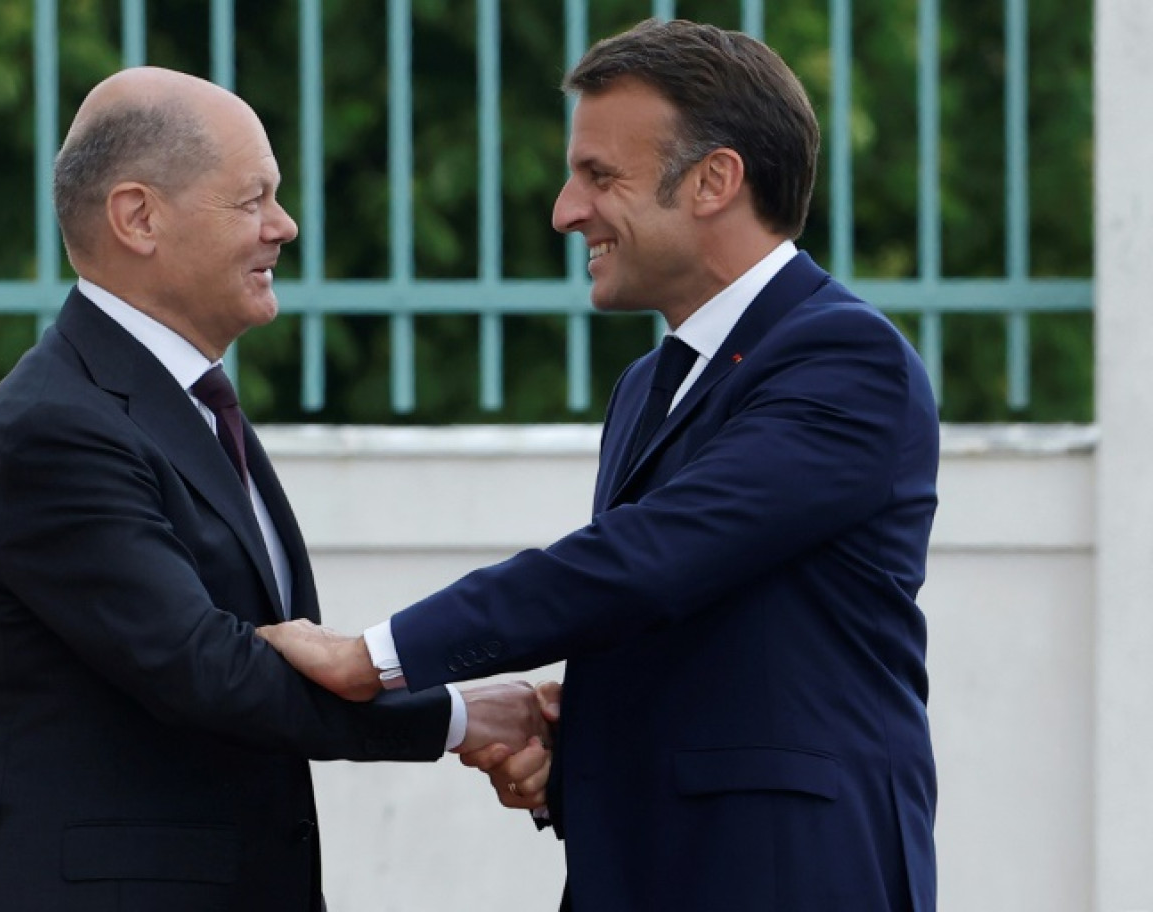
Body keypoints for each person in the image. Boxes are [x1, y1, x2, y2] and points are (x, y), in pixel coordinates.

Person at [258, 18, 940, 912]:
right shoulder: (651, 384)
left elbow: (646, 562)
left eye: (599, 176)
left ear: (715, 181)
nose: (565, 210)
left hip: (789, 873)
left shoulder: (848, 360)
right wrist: (571, 750)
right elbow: (689, 628)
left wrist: (376, 657)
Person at [0, 66, 545, 912]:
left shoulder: (182, 403)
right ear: (138, 217)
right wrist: (457, 717)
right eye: (252, 199)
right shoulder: (53, 429)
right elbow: (207, 669)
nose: (284, 227)